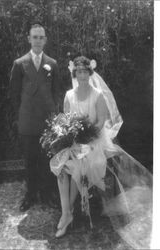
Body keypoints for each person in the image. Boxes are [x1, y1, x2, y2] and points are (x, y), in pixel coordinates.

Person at [50, 56, 152, 249]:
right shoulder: (69, 95)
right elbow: (66, 121)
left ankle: (66, 216)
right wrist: (69, 138)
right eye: (78, 71)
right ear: (74, 73)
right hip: (75, 143)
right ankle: (67, 213)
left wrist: (84, 140)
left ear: (90, 73)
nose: (81, 75)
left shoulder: (98, 95)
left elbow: (99, 125)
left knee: (78, 164)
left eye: (84, 71)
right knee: (62, 168)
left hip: (94, 142)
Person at [9, 24, 60, 212]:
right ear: (29, 39)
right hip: (27, 120)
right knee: (30, 160)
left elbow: (56, 92)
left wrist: (53, 116)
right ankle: (30, 195)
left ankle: (47, 194)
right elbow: (14, 95)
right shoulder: (19, 63)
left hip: (47, 120)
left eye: (41, 37)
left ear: (45, 40)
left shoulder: (52, 64)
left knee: (47, 159)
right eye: (35, 37)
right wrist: (19, 117)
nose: (38, 40)